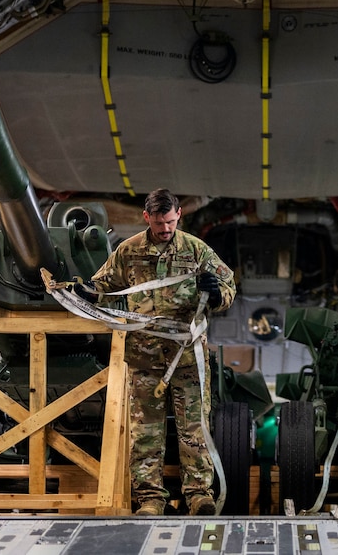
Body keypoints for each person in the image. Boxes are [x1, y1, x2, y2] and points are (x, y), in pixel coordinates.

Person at [90, 189, 235, 517]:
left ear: (179, 214)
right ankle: (151, 500)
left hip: (187, 358)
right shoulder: (128, 251)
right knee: (146, 430)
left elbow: (228, 286)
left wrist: (215, 297)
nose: (165, 229)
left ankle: (198, 496)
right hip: (145, 358)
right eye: (158, 223)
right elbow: (102, 286)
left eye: (170, 222)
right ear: (146, 218)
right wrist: (79, 291)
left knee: (194, 427)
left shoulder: (196, 250)